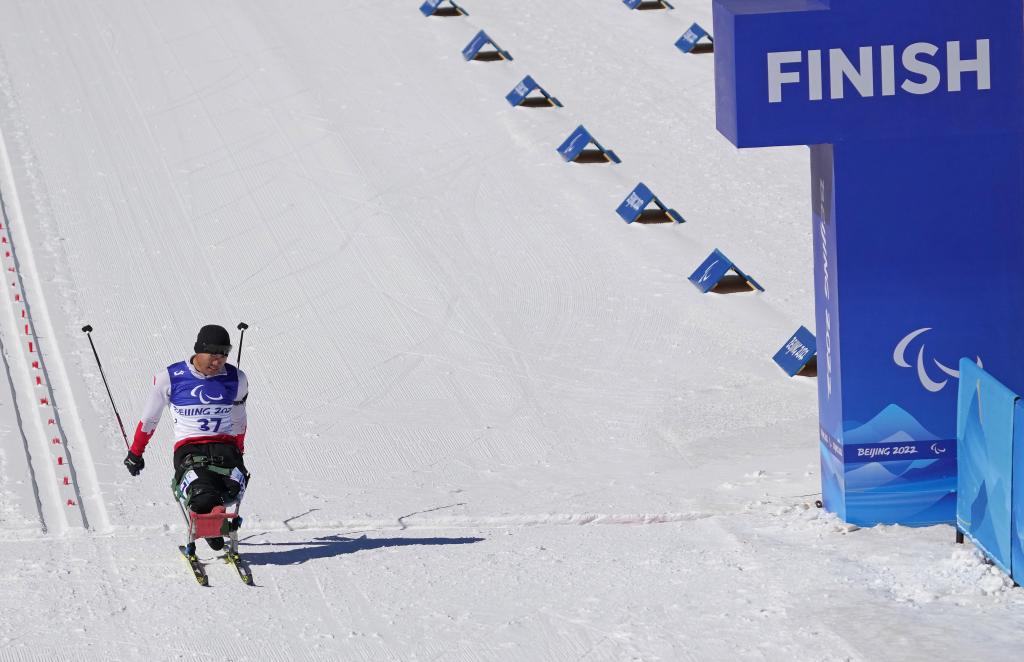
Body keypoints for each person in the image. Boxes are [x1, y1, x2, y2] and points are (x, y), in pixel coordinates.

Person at [123, 324, 250, 550]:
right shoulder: (170, 378)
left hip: (225, 447)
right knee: (201, 493)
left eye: (223, 356)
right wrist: (135, 452)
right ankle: (213, 523)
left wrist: (239, 448)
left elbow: (239, 418)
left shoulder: (236, 378)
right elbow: (149, 419)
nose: (218, 362)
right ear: (199, 350)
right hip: (190, 449)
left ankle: (213, 521)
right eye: (213, 356)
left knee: (232, 490)